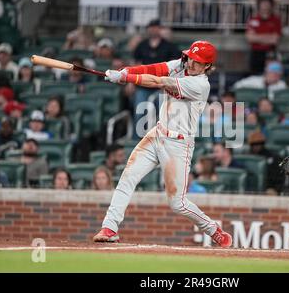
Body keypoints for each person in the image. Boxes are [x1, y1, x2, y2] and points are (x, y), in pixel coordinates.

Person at [93, 40, 233, 247]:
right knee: (127, 177)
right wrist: (124, 72)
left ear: (207, 67)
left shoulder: (200, 85)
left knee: (177, 203)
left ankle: (214, 230)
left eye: (198, 62)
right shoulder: (181, 64)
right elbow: (153, 69)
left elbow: (158, 81)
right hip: (157, 134)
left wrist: (126, 77)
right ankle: (109, 227)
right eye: (191, 58)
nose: (191, 63)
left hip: (178, 145)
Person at [132, 19, 181, 136]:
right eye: (151, 27)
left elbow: (175, 67)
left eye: (156, 27)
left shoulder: (169, 46)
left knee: (164, 115)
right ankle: (136, 140)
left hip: (161, 86)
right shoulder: (142, 45)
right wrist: (130, 82)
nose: (153, 29)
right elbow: (135, 64)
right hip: (144, 85)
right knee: (139, 113)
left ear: (160, 29)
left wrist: (168, 84)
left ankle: (161, 138)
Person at [245, 0, 282, 75]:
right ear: (259, 5)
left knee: (271, 75)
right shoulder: (253, 19)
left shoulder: (276, 20)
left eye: (267, 4)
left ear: (271, 6)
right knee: (255, 76)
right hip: (256, 54)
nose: (265, 6)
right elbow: (250, 38)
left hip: (270, 53)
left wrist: (257, 37)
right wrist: (268, 37)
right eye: (263, 4)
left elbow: (274, 40)